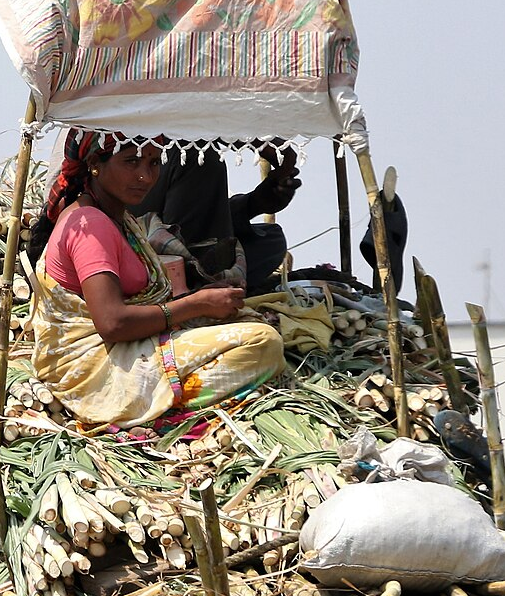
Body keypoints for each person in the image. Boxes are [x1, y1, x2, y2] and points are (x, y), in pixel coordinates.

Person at [26, 129, 285, 427]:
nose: (145, 177)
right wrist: (197, 305)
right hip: (95, 369)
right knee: (263, 343)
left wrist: (203, 296)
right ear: (96, 164)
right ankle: (162, 410)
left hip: (124, 344)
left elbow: (133, 303)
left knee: (248, 319)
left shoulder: (117, 218)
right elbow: (112, 323)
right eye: (131, 163)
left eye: (153, 163)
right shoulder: (90, 225)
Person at [130, 144, 301, 293]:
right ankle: (191, 281)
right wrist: (264, 142)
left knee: (271, 240)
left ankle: (201, 274)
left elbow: (202, 210)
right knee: (198, 153)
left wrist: (253, 204)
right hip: (140, 243)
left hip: (181, 236)